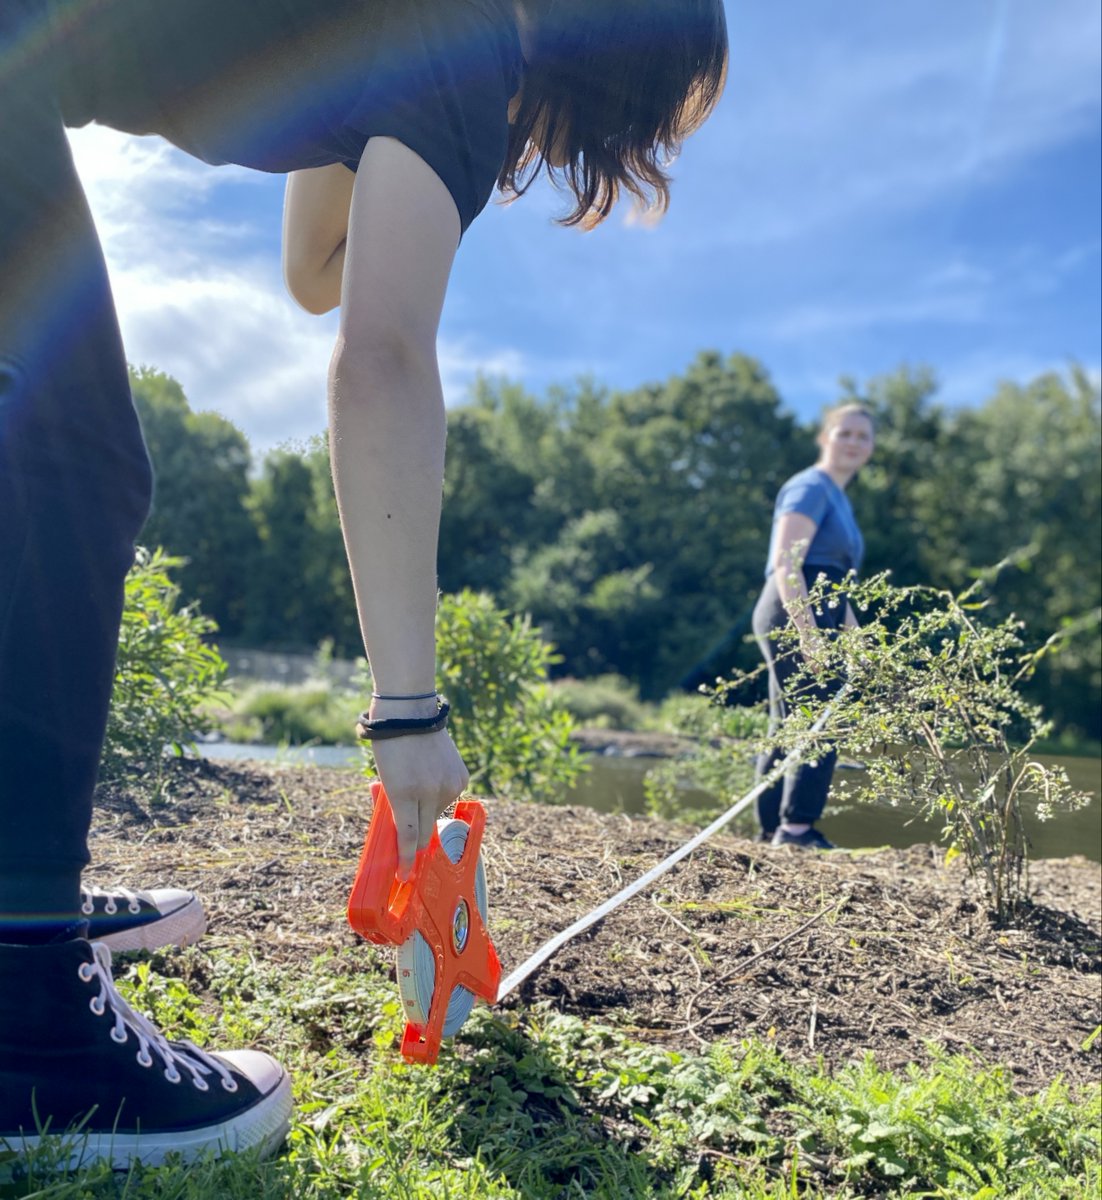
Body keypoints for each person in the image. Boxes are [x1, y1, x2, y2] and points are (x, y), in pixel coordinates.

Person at [0, 0, 728, 1169]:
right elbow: (379, 353)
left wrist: (397, 118)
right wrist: (407, 710)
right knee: (68, 467)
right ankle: (23, 998)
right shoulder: (475, 34)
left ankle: (15, 900)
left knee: (53, 457)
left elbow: (307, 273)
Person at [751, 404, 875, 850]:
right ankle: (797, 830)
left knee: (789, 722)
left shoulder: (838, 497)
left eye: (863, 436)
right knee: (820, 719)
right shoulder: (810, 486)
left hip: (822, 610)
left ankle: (772, 829)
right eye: (845, 433)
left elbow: (837, 582)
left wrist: (854, 636)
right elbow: (788, 563)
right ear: (825, 437)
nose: (854, 443)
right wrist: (807, 632)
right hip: (794, 609)